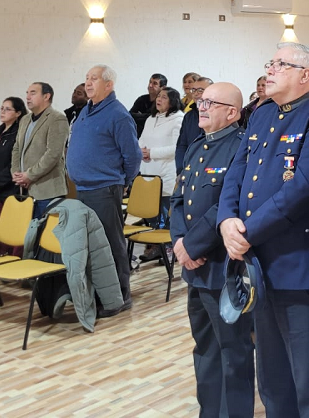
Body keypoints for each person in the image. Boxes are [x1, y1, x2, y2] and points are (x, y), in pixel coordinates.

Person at [218, 42, 309, 418]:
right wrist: (226, 220)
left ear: (305, 75)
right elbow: (236, 173)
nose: (269, 70)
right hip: (257, 265)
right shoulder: (260, 115)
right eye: (269, 63)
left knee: (308, 377)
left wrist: (246, 233)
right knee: (271, 375)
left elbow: (303, 188)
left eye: (279, 64)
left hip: (295, 264)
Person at [170, 81, 255, 418]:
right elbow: (178, 200)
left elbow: (226, 205)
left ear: (232, 112)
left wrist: (192, 246)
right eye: (200, 101)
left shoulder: (240, 147)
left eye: (210, 102)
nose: (201, 107)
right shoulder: (196, 147)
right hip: (194, 267)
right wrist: (179, 243)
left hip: (222, 266)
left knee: (233, 351)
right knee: (204, 348)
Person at [67, 64, 141, 312]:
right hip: (83, 189)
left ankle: (119, 296)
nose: (88, 83)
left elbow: (133, 156)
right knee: (90, 245)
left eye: (94, 79)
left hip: (105, 189)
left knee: (110, 243)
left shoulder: (118, 114)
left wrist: (121, 182)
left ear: (108, 85)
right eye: (86, 78)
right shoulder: (86, 111)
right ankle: (98, 293)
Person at [138, 86, 184, 261]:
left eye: (164, 97)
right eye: (159, 96)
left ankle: (166, 247)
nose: (159, 99)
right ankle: (156, 246)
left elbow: (176, 147)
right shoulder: (151, 118)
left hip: (166, 172)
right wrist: (140, 150)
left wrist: (152, 153)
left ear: (172, 101)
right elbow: (141, 140)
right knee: (150, 213)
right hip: (148, 171)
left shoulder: (178, 118)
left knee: (165, 213)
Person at [12, 82, 70, 218]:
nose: (27, 97)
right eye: (27, 93)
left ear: (46, 96)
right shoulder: (25, 119)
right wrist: (16, 173)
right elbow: (16, 148)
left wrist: (29, 175)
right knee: (27, 234)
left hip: (47, 190)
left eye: (32, 93)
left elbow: (53, 154)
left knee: (45, 235)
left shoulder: (57, 119)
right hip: (24, 189)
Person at [176, 75, 210, 172]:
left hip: (208, 169)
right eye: (193, 90)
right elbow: (182, 145)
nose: (195, 94)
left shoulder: (217, 115)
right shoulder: (189, 116)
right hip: (189, 169)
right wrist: (180, 170)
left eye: (200, 90)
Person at [129, 73, 167, 137]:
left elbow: (155, 119)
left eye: (155, 83)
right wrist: (146, 116)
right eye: (150, 82)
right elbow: (130, 115)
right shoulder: (141, 99)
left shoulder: (163, 103)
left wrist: (139, 115)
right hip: (137, 135)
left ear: (163, 87)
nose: (150, 85)